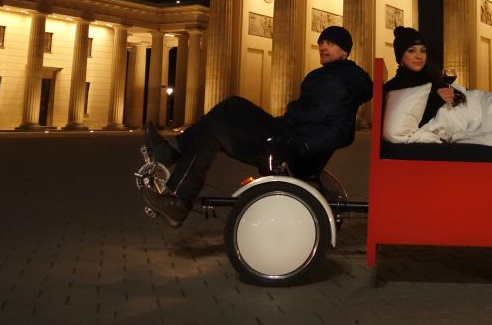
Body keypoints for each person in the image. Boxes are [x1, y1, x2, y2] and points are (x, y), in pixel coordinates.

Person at [142, 26, 373, 228]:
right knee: (214, 126)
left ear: (345, 50)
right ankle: (176, 195)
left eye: (331, 42)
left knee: (229, 109)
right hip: (284, 136)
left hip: (292, 150)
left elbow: (342, 131)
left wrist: (303, 145)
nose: (323, 46)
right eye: (321, 42)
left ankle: (173, 169)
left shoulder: (344, 82)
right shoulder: (325, 77)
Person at [383, 26, 466, 127]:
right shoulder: (392, 88)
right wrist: (437, 100)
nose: (419, 56)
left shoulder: (434, 77)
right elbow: (407, 125)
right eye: (411, 50)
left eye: (423, 51)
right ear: (400, 56)